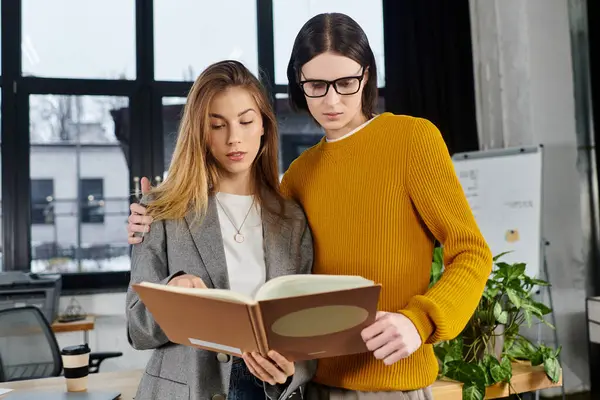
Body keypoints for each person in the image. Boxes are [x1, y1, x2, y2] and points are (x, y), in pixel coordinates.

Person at [128, 12, 493, 400]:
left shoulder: (412, 140)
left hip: (389, 384)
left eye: (346, 83)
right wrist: (150, 221)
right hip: (309, 389)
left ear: (366, 75)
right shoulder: (298, 177)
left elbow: (471, 252)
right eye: (317, 85)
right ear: (299, 83)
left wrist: (419, 321)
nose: (332, 100)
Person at [125, 60, 314, 400]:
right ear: (200, 132)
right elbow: (137, 329)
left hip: (268, 392)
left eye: (245, 121)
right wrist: (172, 294)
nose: (234, 138)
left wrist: (291, 371)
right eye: (217, 125)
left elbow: (306, 333)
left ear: (264, 127)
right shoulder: (162, 209)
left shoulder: (292, 219)